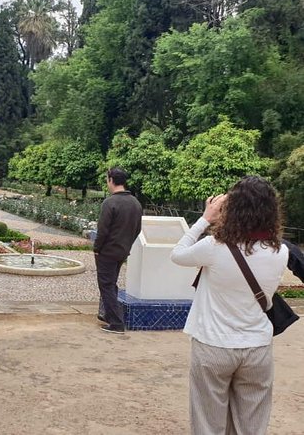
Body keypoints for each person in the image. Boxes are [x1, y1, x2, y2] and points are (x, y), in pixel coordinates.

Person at [171, 176, 288, 435]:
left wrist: (205, 218)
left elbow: (177, 254)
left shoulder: (214, 247)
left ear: (232, 208)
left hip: (213, 345)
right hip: (257, 347)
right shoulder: (280, 252)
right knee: (252, 425)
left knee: (208, 423)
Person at [93, 168, 142, 334]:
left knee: (106, 285)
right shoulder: (135, 203)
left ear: (111, 180)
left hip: (107, 251)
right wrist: (127, 245)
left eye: (107, 179)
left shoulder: (110, 203)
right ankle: (108, 315)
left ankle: (116, 323)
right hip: (122, 251)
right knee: (111, 284)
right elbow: (137, 229)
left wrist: (96, 249)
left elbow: (102, 230)